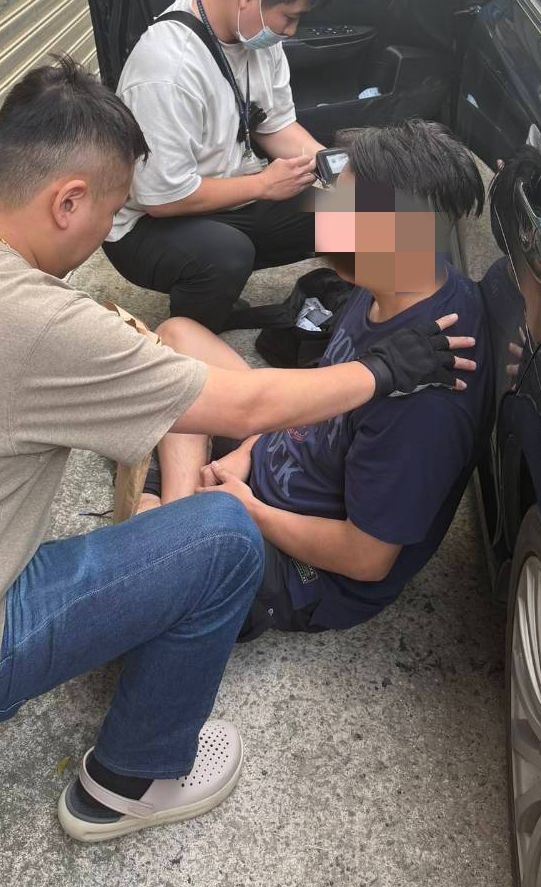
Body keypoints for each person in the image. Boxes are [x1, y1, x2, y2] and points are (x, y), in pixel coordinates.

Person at [0, 59, 476, 844]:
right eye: (112, 213)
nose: (107, 237)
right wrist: (381, 372)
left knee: (182, 407)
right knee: (223, 536)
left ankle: (164, 544)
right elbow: (247, 405)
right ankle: (129, 780)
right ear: (67, 201)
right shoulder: (38, 323)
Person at [145, 119, 490, 639]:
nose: (322, 217)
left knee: (154, 589)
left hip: (302, 568)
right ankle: (175, 522)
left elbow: (366, 559)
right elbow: (323, 391)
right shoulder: (401, 275)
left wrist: (248, 509)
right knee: (177, 338)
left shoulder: (428, 399)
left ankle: (167, 531)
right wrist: (248, 452)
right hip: (278, 459)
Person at [102, 0, 334, 332]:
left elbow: (276, 125)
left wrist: (336, 168)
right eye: (290, 16)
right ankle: (191, 336)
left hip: (224, 194)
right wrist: (264, 185)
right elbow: (162, 199)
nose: (291, 30)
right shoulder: (167, 69)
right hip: (147, 225)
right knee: (226, 254)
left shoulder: (256, 33)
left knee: (349, 210)